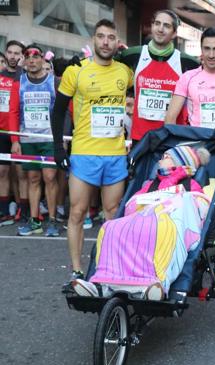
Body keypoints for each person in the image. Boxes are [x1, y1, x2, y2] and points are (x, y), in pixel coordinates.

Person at [71, 145, 211, 300]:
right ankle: (102, 283)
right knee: (110, 228)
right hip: (143, 221)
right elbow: (131, 205)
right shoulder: (150, 184)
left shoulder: (191, 185)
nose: (160, 160)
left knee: (163, 229)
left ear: (178, 163)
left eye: (166, 157)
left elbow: (199, 208)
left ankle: (159, 284)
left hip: (170, 224)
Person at [52, 19, 134, 280]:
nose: (106, 42)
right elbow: (59, 110)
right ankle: (76, 271)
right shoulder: (76, 71)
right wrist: (58, 147)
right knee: (77, 212)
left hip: (115, 154)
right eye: (101, 36)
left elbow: (149, 56)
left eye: (111, 37)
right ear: (93, 40)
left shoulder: (125, 72)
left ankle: (108, 267)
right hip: (84, 153)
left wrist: (127, 51)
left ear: (117, 41)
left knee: (112, 214)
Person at [164, 27, 215, 290]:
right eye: (206, 49)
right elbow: (170, 119)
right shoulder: (188, 78)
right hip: (198, 153)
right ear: (201, 50)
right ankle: (187, 262)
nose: (211, 54)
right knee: (193, 206)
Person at [115, 9, 199, 144]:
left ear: (175, 33)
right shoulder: (133, 54)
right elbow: (106, 63)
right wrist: (79, 64)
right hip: (140, 137)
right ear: (152, 26)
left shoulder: (186, 61)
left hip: (171, 137)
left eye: (166, 26)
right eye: (157, 23)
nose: (160, 29)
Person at [13, 44, 60, 237]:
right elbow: (14, 112)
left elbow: (61, 112)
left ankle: (53, 220)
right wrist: (16, 140)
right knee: (33, 179)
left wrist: (60, 138)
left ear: (43, 59)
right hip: (28, 138)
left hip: (48, 137)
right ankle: (34, 221)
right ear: (24, 62)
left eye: (36, 56)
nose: (32, 60)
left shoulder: (53, 82)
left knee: (50, 178)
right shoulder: (20, 82)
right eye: (28, 57)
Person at [0, 56, 20, 226]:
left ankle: (22, 207)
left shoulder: (19, 79)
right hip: (1, 132)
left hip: (15, 132)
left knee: (20, 173)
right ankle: (5, 210)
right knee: (3, 172)